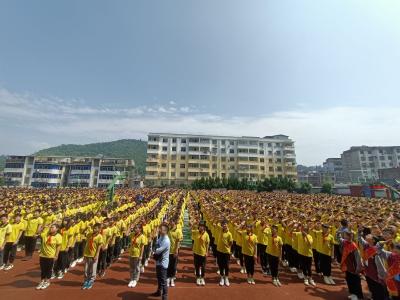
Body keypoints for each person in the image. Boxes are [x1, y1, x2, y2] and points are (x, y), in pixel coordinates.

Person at [337, 228, 364, 300]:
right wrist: (338, 233)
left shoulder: (354, 246)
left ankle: (358, 295)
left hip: (353, 267)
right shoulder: (344, 242)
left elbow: (358, 259)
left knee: (355, 281)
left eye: (345, 235)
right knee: (349, 280)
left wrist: (358, 269)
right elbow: (339, 239)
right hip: (347, 266)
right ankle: (352, 293)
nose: (344, 236)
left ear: (349, 236)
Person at [36, 223, 62, 290]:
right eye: (51, 227)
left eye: (53, 227)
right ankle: (42, 281)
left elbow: (58, 246)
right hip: (42, 255)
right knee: (42, 269)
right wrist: (41, 226)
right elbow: (38, 232)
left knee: (49, 269)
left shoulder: (58, 236)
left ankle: (47, 281)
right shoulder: (45, 233)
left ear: (57, 229)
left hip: (51, 256)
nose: (51, 228)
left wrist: (56, 255)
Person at [150, 223, 170, 300]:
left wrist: (154, 250)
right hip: (158, 261)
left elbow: (158, 250)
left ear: (165, 231)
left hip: (163, 263)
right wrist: (155, 249)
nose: (159, 230)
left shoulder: (166, 240)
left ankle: (165, 297)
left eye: (160, 229)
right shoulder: (161, 237)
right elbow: (156, 244)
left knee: (163, 281)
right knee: (159, 278)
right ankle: (159, 292)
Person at [82, 223, 103, 290]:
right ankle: (86, 280)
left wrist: (96, 255)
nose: (94, 229)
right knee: (86, 268)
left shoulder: (99, 236)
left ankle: (91, 280)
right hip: (86, 254)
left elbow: (99, 247)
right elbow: (83, 233)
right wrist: (87, 227)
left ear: (99, 229)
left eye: (96, 228)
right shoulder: (89, 234)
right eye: (94, 228)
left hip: (93, 255)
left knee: (93, 268)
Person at [191, 221, 210, 286]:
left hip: (203, 253)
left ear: (204, 227)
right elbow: (191, 228)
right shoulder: (196, 232)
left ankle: (202, 277)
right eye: (200, 226)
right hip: (196, 252)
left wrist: (207, 252)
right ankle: (198, 277)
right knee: (197, 266)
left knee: (203, 267)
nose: (201, 227)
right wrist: (193, 223)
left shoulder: (206, 234)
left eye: (202, 226)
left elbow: (207, 244)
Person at [216, 220, 233, 286]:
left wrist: (228, 246)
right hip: (219, 250)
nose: (224, 225)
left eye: (225, 224)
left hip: (226, 252)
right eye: (223, 224)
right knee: (220, 265)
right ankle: (222, 277)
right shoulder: (220, 230)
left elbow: (231, 242)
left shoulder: (229, 233)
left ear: (227, 225)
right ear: (222, 225)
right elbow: (216, 223)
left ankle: (226, 277)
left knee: (226, 266)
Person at [128, 224, 146, 288]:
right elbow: (126, 234)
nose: (135, 229)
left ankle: (135, 280)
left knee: (137, 267)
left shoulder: (142, 236)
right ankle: (131, 279)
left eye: (136, 228)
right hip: (131, 253)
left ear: (140, 229)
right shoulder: (133, 234)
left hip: (137, 254)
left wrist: (141, 256)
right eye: (135, 228)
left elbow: (142, 247)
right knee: (131, 267)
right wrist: (130, 228)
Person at [167, 219, 183, 287]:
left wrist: (176, 250)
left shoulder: (178, 231)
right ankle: (167, 278)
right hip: (167, 251)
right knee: (168, 265)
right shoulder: (168, 229)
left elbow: (178, 241)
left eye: (172, 221)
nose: (171, 222)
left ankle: (172, 278)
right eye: (170, 221)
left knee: (173, 266)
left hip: (174, 250)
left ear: (175, 222)